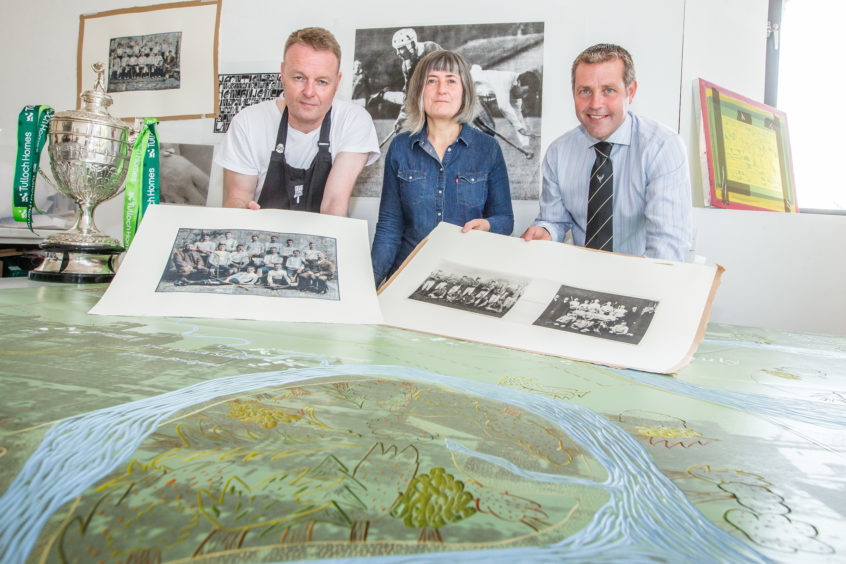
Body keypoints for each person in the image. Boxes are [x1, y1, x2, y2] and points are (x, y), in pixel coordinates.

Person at [520, 44, 692, 262]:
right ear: (573, 92)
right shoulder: (558, 152)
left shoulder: (662, 148)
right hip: (580, 276)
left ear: (630, 92)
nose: (595, 104)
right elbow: (555, 220)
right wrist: (545, 231)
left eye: (608, 90)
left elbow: (667, 244)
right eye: (585, 91)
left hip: (641, 276)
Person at [370, 50, 514, 286]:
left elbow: (505, 219)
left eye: (451, 81)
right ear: (419, 91)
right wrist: (370, 290)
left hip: (464, 280)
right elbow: (389, 228)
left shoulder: (488, 149)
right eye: (432, 81)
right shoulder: (400, 147)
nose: (441, 90)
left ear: (464, 91)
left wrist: (488, 225)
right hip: (406, 277)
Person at [216, 27, 380, 216]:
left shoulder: (353, 121)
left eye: (322, 81)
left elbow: (333, 204)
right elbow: (238, 198)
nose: (309, 92)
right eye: (299, 78)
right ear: (283, 73)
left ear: (337, 82)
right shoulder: (248, 123)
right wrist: (242, 211)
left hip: (323, 233)